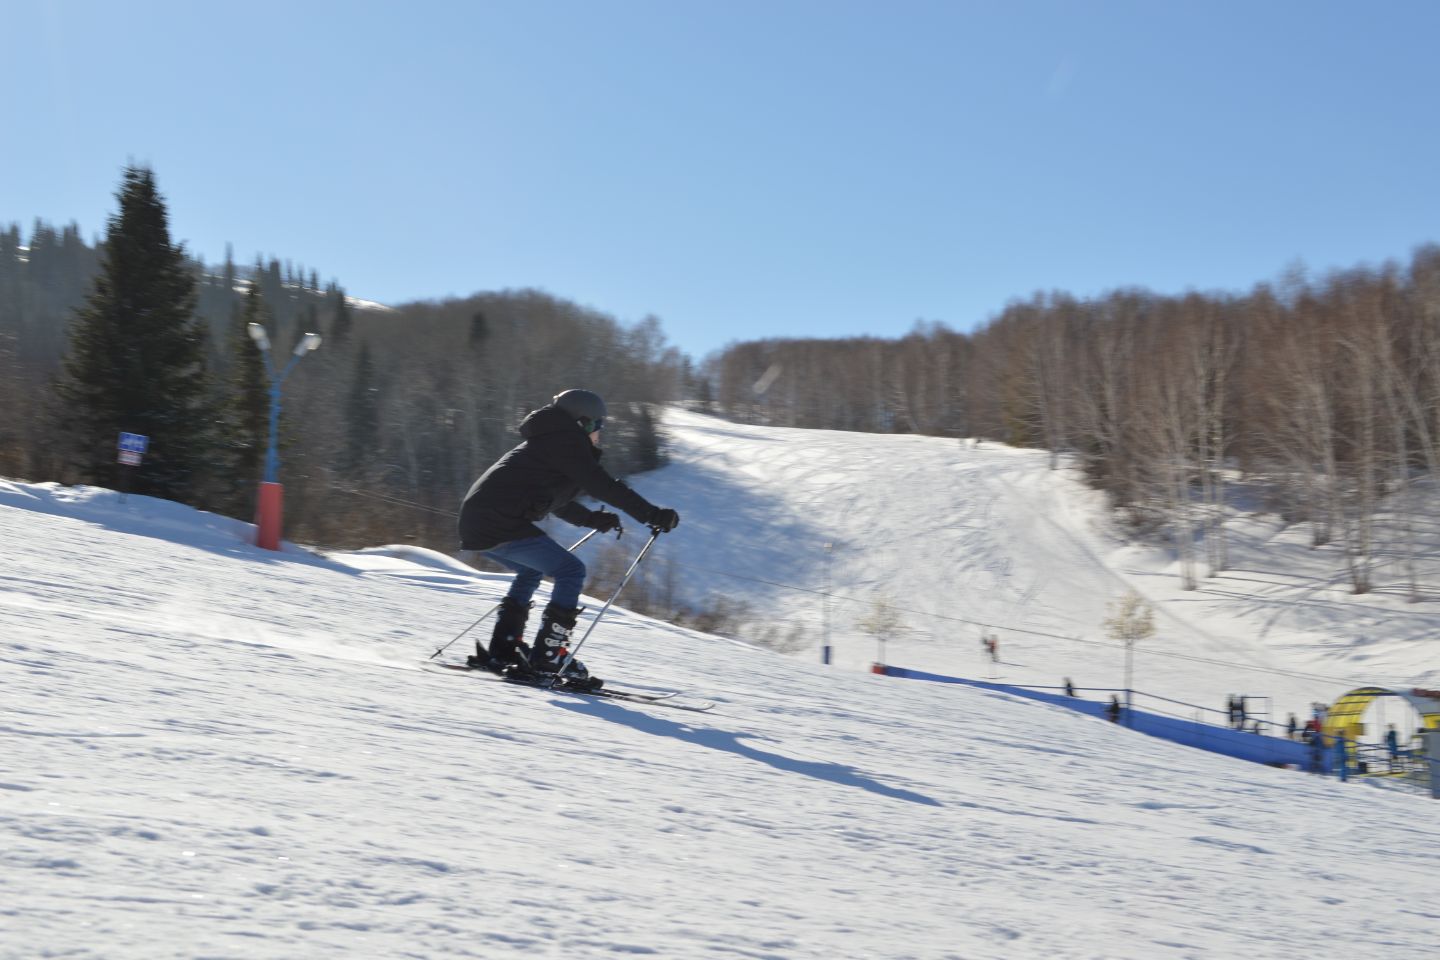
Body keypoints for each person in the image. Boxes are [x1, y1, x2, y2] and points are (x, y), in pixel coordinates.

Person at [457, 389, 680, 686]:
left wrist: (591, 519)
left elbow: (554, 500)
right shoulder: (565, 443)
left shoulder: (550, 442)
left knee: (531, 571)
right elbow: (603, 485)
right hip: (497, 521)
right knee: (571, 570)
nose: (600, 432)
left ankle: (505, 648)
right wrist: (651, 514)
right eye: (597, 425)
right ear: (581, 423)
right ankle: (549, 656)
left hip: (479, 520)